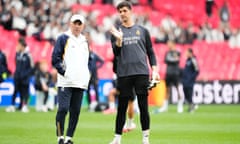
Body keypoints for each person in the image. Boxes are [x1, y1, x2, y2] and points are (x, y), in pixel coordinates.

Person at [109, 1, 159, 144]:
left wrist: (154, 69)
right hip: (124, 73)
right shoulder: (116, 32)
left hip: (141, 73)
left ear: (131, 11)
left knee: (143, 107)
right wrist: (119, 40)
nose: (122, 14)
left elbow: (150, 52)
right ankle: (117, 139)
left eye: (124, 10)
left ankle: (145, 139)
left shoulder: (143, 30)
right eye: (120, 11)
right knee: (122, 107)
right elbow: (116, 53)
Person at [52, 14, 90, 144]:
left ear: (83, 25)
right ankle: (60, 136)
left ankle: (69, 138)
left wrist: (86, 75)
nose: (77, 26)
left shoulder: (85, 41)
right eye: (75, 23)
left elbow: (87, 61)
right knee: (63, 109)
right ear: (70, 23)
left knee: (75, 112)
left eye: (80, 24)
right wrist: (65, 72)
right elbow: (55, 59)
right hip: (66, 81)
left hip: (80, 83)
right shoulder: (63, 38)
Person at [5, 37, 34, 113]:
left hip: (25, 78)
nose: (17, 46)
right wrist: (17, 74)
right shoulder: (17, 54)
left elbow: (31, 67)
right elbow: (16, 64)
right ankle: (12, 105)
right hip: (17, 77)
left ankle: (24, 106)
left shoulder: (28, 55)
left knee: (25, 92)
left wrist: (25, 74)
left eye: (19, 45)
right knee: (15, 91)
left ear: (23, 46)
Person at [154, 40, 183, 113]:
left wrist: (172, 60)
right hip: (168, 73)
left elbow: (176, 61)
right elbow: (166, 60)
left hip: (175, 73)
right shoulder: (167, 52)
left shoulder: (177, 52)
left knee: (177, 89)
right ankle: (165, 107)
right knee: (167, 90)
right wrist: (173, 60)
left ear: (173, 44)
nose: (168, 45)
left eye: (169, 44)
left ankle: (180, 106)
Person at [181, 48, 199, 113]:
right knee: (186, 94)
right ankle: (192, 105)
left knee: (189, 94)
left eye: (187, 52)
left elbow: (197, 71)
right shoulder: (187, 60)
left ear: (190, 53)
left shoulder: (193, 60)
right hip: (185, 80)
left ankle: (191, 108)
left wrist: (191, 78)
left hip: (190, 81)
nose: (186, 54)